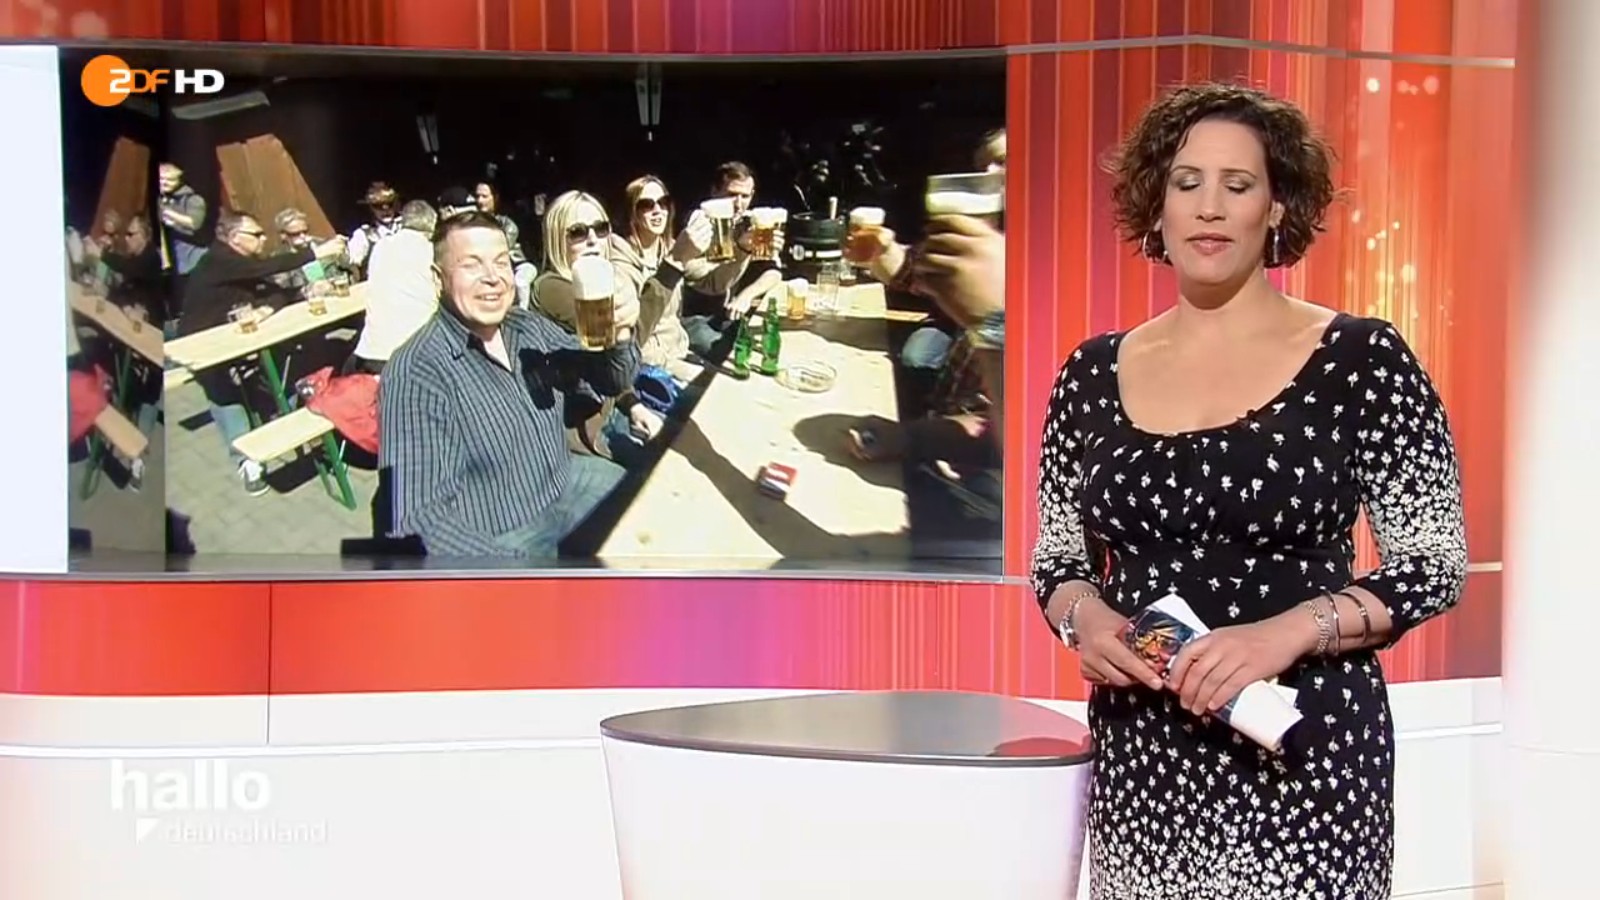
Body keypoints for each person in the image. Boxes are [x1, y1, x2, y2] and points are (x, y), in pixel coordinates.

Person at [1030, 83, 1467, 898]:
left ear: (1276, 208)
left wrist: (1288, 633)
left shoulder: (1361, 359)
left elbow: (1434, 563)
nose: (1210, 207)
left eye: (1238, 185)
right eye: (1187, 182)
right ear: (1157, 207)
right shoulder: (1090, 372)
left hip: (1303, 748)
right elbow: (1058, 560)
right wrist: (1085, 619)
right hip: (1145, 757)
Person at [379, 211, 640, 557]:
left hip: (569, 481)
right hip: (504, 534)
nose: (492, 277)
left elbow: (612, 380)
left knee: (648, 509)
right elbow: (416, 519)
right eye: (472, 264)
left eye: (501, 262)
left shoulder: (526, 327)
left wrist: (621, 337)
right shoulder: (416, 372)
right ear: (438, 278)